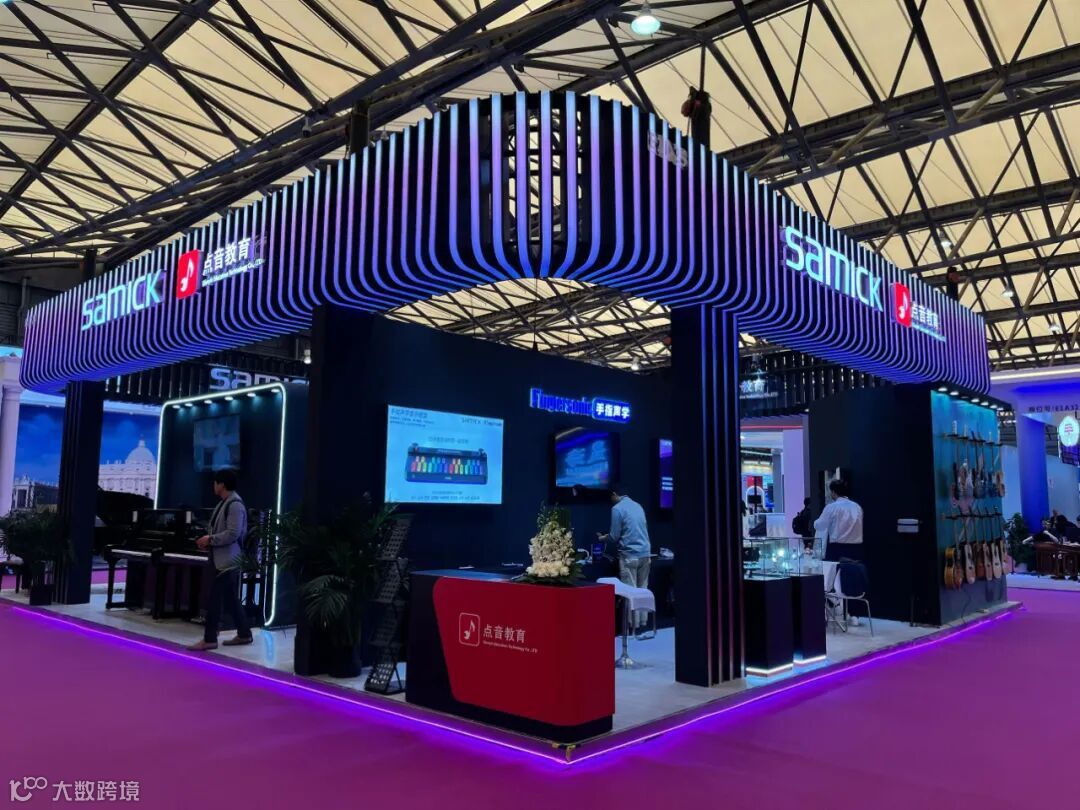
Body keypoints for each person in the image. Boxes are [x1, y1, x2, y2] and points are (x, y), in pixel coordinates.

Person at [188, 469, 252, 651]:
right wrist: (208, 540)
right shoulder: (224, 503)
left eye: (215, 482)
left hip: (228, 562)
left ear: (222, 484)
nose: (213, 486)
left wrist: (210, 539)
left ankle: (210, 639)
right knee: (231, 599)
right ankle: (244, 633)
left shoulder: (235, 505)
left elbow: (233, 533)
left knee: (214, 599)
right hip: (222, 560)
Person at [597, 487, 652, 628]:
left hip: (629, 555)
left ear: (614, 494)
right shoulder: (638, 506)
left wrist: (602, 538)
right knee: (642, 589)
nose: (610, 502)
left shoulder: (617, 509)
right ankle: (642, 623)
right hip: (645, 553)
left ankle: (632, 626)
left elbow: (614, 536)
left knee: (630, 592)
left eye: (610, 498)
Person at [815, 480, 864, 563]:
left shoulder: (831, 507)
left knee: (837, 570)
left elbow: (820, 525)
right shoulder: (857, 507)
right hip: (857, 549)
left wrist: (815, 522)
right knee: (855, 569)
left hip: (838, 549)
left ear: (833, 492)